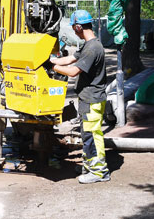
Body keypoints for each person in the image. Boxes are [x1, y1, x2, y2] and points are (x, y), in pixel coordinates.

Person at [50, 10, 110, 183]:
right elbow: (69, 60)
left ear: (78, 27)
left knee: (92, 135)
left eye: (74, 28)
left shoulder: (93, 48)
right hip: (88, 99)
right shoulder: (88, 44)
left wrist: (53, 69)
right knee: (87, 134)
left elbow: (73, 71)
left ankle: (99, 172)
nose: (74, 31)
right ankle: (89, 166)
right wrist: (50, 60)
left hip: (92, 99)